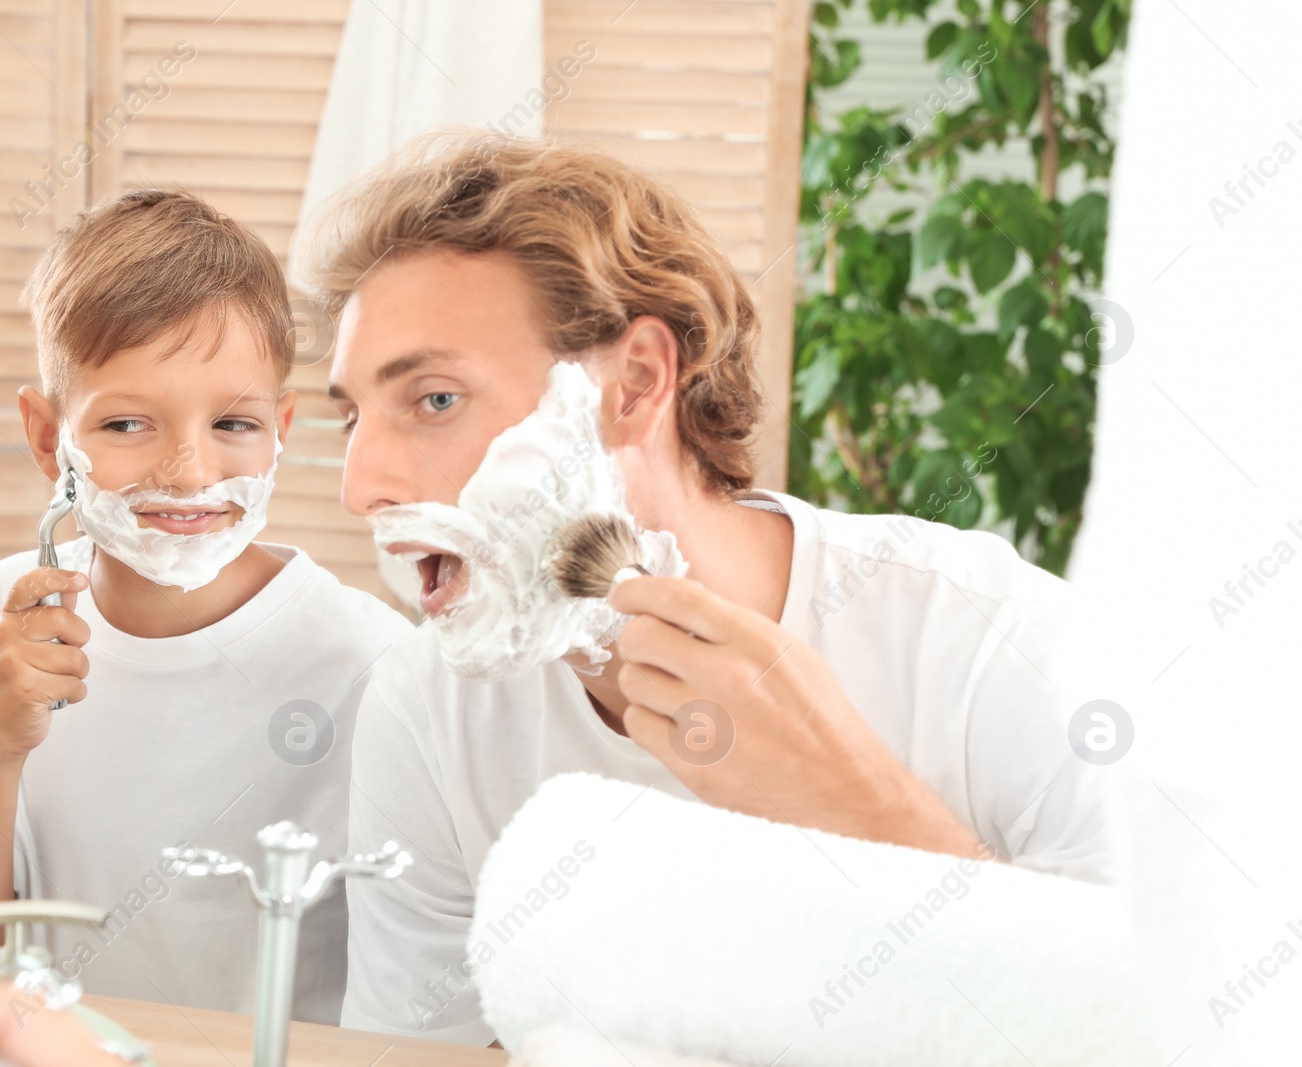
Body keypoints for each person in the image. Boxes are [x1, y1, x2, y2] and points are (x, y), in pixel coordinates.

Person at [309, 131, 1111, 1045]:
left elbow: (1160, 1032)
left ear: (636, 385)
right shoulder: (426, 708)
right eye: (351, 416)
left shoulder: (980, 633)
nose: (360, 486)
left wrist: (854, 808)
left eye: (435, 399)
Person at [0, 190, 410, 1021]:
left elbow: (412, 996)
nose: (191, 472)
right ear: (47, 436)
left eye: (233, 423)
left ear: (281, 428)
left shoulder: (376, 662)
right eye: (128, 424)